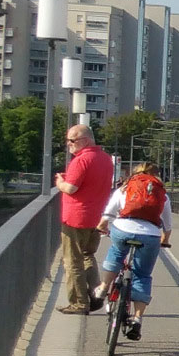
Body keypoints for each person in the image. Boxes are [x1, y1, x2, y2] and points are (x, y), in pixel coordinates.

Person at [97, 159, 171, 341]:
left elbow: (109, 212)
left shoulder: (125, 188)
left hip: (123, 229)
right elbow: (167, 225)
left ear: (135, 172)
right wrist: (165, 240)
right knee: (142, 274)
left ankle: (103, 288)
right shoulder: (161, 192)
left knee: (116, 252)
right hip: (150, 235)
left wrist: (102, 225)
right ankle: (137, 319)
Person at [54, 124, 114, 313]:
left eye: (72, 140)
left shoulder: (81, 160)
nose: (68, 144)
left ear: (85, 140)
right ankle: (96, 295)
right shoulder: (105, 159)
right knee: (88, 255)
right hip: (97, 217)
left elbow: (71, 188)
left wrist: (60, 182)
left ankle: (79, 303)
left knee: (72, 261)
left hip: (76, 217)